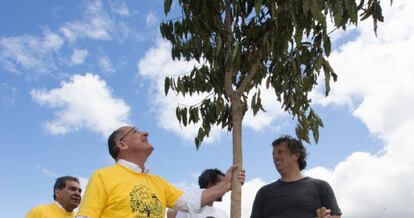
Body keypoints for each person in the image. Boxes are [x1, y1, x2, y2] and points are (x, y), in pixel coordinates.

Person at [76, 126, 244, 218]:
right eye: (135, 132)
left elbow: (189, 201)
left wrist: (226, 184)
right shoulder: (102, 176)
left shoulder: (158, 182)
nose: (145, 132)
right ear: (122, 144)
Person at [250, 135, 342, 218]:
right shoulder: (264, 192)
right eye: (273, 154)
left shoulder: (321, 186)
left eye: (280, 152)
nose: (275, 157)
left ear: (296, 155)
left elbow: (335, 216)